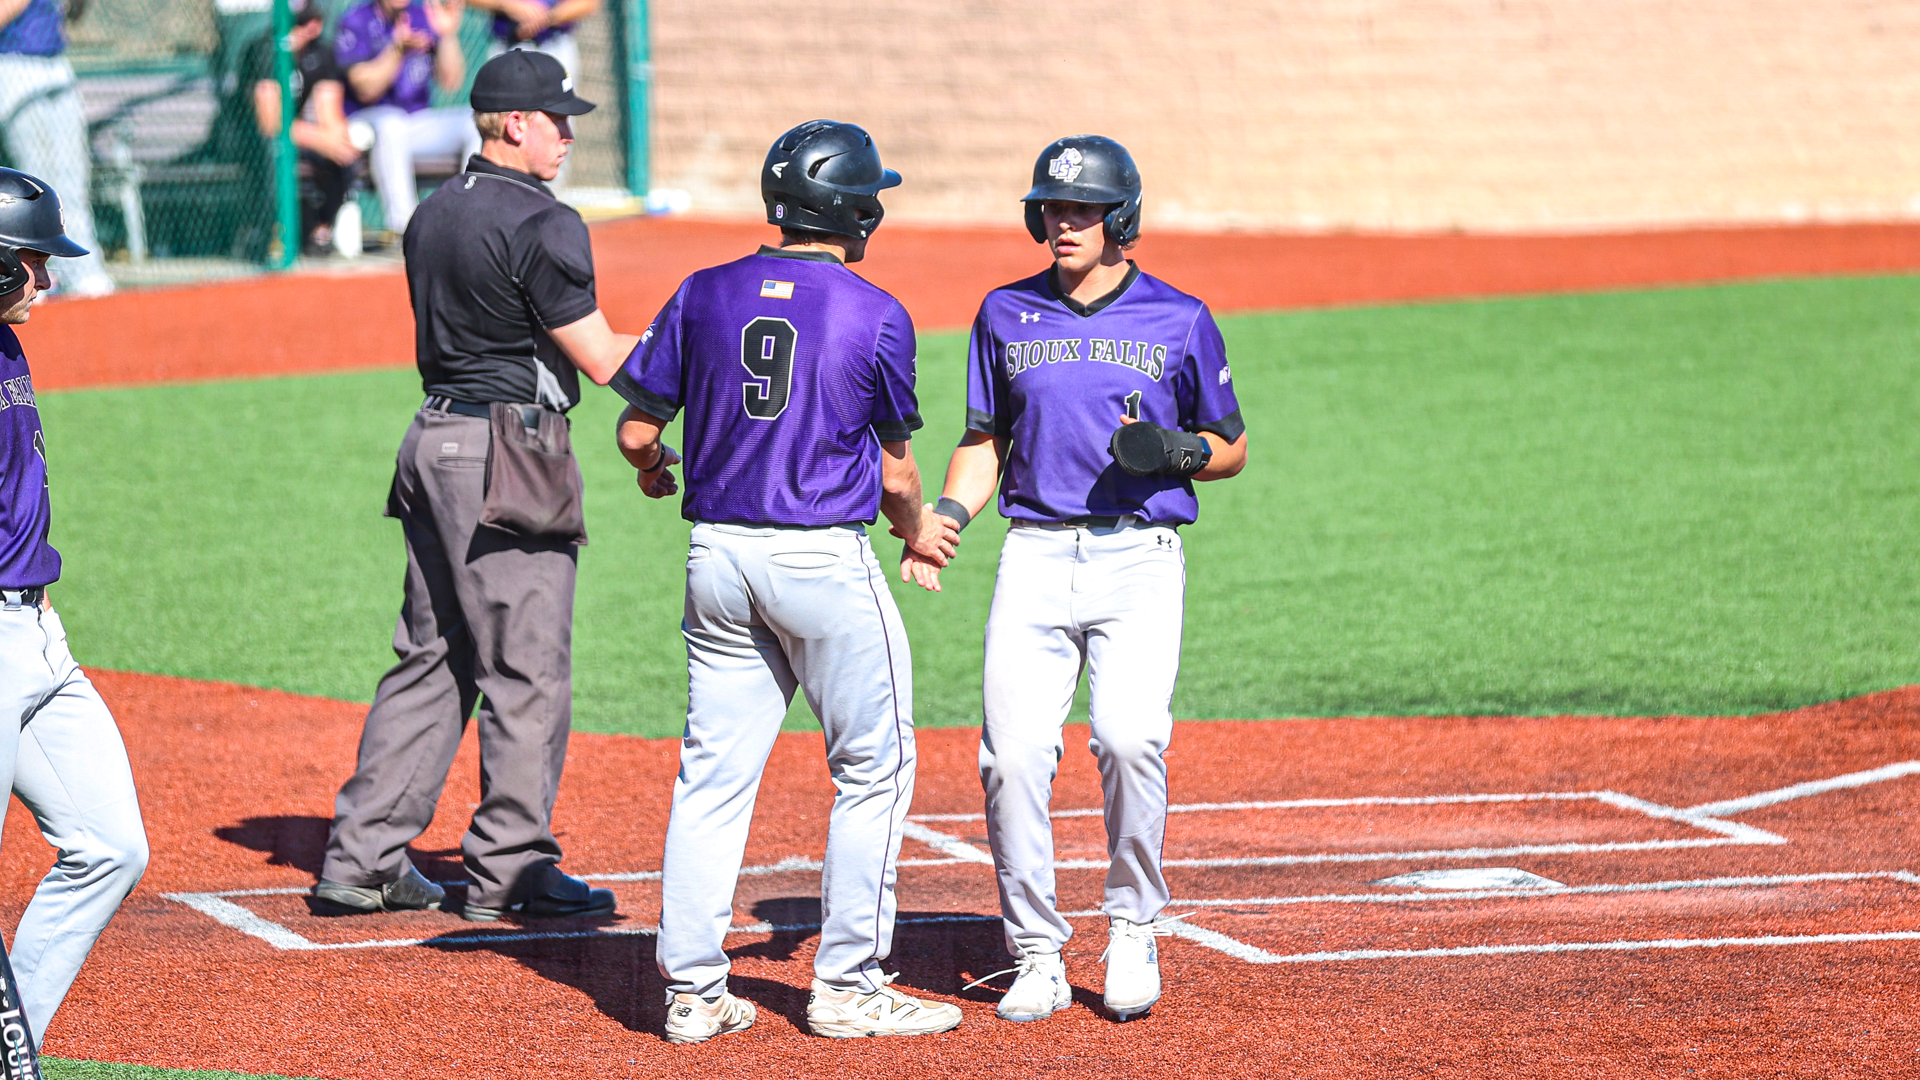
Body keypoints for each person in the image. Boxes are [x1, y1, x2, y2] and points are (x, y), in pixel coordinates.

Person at [611, 119, 962, 1044]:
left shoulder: (703, 289)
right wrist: (917, 531)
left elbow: (639, 435)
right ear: (853, 209)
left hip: (716, 562)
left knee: (713, 777)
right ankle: (847, 985)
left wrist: (653, 473)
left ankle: (691, 994)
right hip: (820, 562)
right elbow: (894, 473)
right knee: (873, 769)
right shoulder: (873, 308)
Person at [925, 136, 1248, 1023]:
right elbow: (983, 438)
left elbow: (1232, 447)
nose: (1064, 223)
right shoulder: (1004, 312)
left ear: (1121, 219)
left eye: (1082, 210)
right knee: (1013, 758)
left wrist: (1181, 452)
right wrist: (949, 518)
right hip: (1032, 554)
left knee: (1129, 739)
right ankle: (1035, 950)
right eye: (1053, 209)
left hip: (1138, 559)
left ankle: (1133, 924)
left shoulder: (1180, 318)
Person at [316, 51, 631, 924]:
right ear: (515, 124)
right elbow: (602, 359)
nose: (569, 135)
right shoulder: (546, 221)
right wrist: (695, 342)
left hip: (429, 442)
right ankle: (512, 870)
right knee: (527, 669)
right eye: (558, 120)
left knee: (434, 655)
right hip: (507, 453)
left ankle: (364, 857)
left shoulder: (434, 210)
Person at [0, 167, 149, 1047]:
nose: (48, 281)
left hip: (39, 635)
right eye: (31, 263)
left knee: (110, 846)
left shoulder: (7, 344)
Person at [0, 0, 114, 297]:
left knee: (71, 179)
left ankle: (84, 273)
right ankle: (29, 278)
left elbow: (75, 11)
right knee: (34, 185)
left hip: (54, 61)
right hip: (14, 63)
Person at [334, 0, 477, 234]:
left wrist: (447, 36)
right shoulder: (357, 19)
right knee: (393, 124)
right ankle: (407, 229)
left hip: (416, 123)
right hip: (367, 124)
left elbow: (452, 82)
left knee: (476, 121)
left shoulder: (423, 15)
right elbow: (365, 90)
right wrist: (397, 50)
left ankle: (470, 220)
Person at [246, 0, 362, 254]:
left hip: (295, 135)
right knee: (275, 150)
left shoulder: (320, 54)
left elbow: (329, 113)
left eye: (302, 24)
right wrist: (321, 140)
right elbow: (269, 124)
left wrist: (335, 140)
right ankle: (275, 232)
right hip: (247, 143)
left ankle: (322, 230)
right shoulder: (263, 50)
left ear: (315, 25)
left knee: (340, 147)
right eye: (291, 24)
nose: (296, 31)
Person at [466, 0, 599, 188]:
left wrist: (546, 18)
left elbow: (589, 4)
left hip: (554, 42)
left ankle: (548, 196)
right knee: (497, 123)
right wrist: (509, 5)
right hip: (508, 42)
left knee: (556, 123)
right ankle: (488, 190)